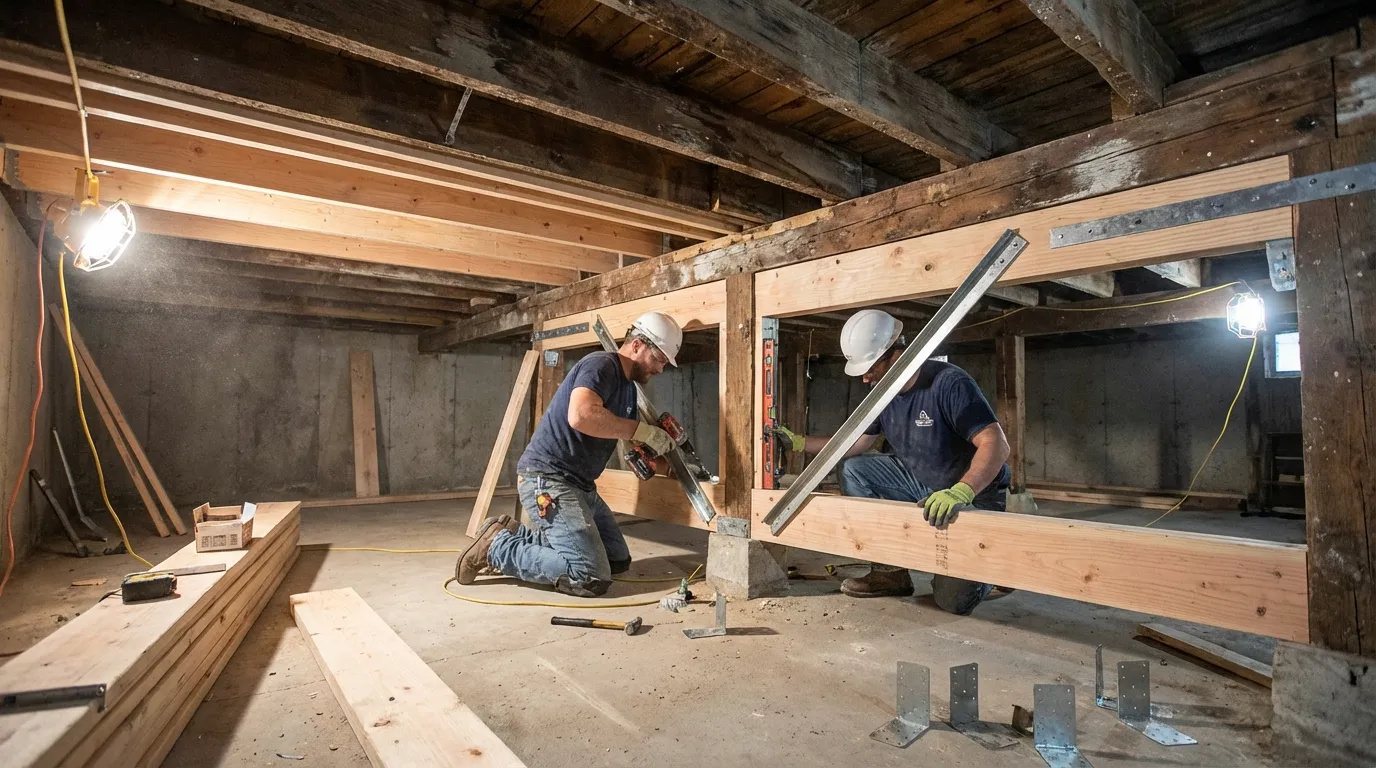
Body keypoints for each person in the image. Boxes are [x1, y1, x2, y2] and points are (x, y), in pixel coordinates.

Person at [774, 309, 1011, 615]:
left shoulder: (949, 383)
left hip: (971, 493)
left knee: (952, 601)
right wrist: (799, 443)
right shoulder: (882, 394)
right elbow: (857, 442)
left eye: (870, 367)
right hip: (920, 482)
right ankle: (890, 573)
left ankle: (994, 568)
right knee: (855, 471)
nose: (865, 377)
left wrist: (962, 491)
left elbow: (996, 444)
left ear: (896, 354)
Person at [456, 312, 684, 597]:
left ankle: (513, 533)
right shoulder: (601, 365)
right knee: (589, 576)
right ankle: (496, 548)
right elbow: (581, 415)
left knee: (617, 560)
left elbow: (627, 441)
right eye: (659, 359)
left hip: (581, 487)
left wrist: (669, 464)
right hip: (549, 479)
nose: (661, 369)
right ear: (637, 345)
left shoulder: (627, 389)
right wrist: (642, 431)